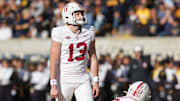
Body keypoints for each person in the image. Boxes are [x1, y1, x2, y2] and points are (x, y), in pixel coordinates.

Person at [49, 2, 99, 101]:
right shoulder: (59, 32)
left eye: (81, 13)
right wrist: (53, 84)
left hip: (83, 79)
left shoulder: (89, 31)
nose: (81, 16)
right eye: (77, 14)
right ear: (68, 15)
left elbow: (93, 57)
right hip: (64, 80)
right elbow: (53, 60)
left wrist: (96, 81)